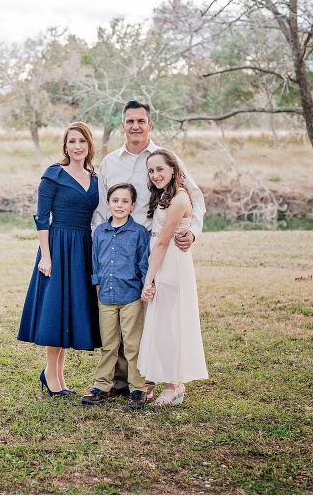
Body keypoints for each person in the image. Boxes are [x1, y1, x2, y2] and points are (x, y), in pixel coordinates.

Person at [92, 100, 206, 400]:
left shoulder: (164, 159)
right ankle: (119, 381)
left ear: (149, 124)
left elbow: (194, 197)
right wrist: (101, 242)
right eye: (130, 121)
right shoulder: (109, 162)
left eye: (141, 121)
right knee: (118, 310)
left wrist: (192, 232)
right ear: (122, 125)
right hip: (117, 244)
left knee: (147, 312)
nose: (135, 126)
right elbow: (101, 209)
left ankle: (146, 381)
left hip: (152, 244)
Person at [18, 121, 101, 397]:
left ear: (89, 145)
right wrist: (46, 255)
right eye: (72, 141)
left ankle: (57, 375)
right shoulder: (53, 174)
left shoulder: (95, 178)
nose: (77, 146)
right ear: (65, 146)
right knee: (55, 311)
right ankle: (51, 375)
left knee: (68, 311)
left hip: (82, 247)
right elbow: (42, 217)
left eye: (82, 141)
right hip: (58, 245)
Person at [138, 149, 209, 406]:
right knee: (163, 326)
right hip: (161, 262)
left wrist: (149, 281)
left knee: (169, 327)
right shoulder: (163, 196)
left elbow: (162, 243)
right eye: (151, 170)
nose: (155, 175)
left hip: (170, 264)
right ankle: (171, 381)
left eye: (160, 169)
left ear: (173, 169)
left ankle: (173, 386)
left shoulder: (179, 198)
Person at [81, 183, 152, 408]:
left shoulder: (139, 232)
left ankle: (138, 389)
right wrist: (97, 288)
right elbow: (96, 263)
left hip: (131, 296)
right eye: (115, 201)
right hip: (106, 298)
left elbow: (143, 263)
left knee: (132, 345)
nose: (119, 205)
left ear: (132, 206)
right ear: (108, 204)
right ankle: (101, 386)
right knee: (109, 345)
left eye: (124, 201)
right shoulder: (100, 232)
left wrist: (144, 289)